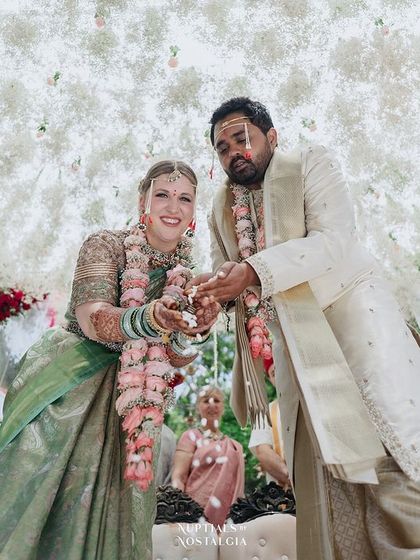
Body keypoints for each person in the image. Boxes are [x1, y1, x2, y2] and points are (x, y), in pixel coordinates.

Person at [190, 97, 420, 559]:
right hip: (294, 346)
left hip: (353, 315)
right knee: (322, 467)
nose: (233, 151)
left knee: (390, 446)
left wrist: (252, 271)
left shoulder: (310, 162)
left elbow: (333, 240)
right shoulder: (220, 207)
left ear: (271, 137)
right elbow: (226, 272)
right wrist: (213, 297)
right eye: (221, 147)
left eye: (242, 138)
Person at [0, 160, 220, 560]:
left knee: (119, 512)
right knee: (43, 502)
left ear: (193, 212)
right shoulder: (105, 244)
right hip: (69, 392)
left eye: (185, 198)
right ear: (143, 201)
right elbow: (94, 319)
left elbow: (172, 358)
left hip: (132, 413)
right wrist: (150, 316)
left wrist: (196, 330)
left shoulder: (185, 276)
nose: (174, 206)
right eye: (163, 195)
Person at [171, 385, 244, 527]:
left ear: (223, 406)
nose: (212, 405)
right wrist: (180, 512)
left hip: (229, 517)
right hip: (195, 514)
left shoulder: (234, 446)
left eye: (216, 400)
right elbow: (179, 477)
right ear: (198, 407)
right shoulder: (191, 437)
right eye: (205, 401)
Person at [248, 358, 289, 488]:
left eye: (282, 369)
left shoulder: (313, 406)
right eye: (273, 373)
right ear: (270, 380)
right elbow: (263, 452)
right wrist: (295, 481)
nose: (279, 376)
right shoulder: (265, 412)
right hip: (284, 497)